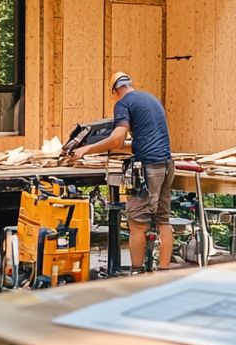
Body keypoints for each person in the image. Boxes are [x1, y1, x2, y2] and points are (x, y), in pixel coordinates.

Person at [73, 71, 174, 271]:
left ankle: (136, 274)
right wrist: (106, 147)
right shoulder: (150, 99)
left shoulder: (123, 103)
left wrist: (87, 149)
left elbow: (118, 138)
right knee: (163, 220)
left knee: (137, 223)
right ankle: (164, 273)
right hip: (166, 164)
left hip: (148, 167)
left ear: (114, 91)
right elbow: (142, 140)